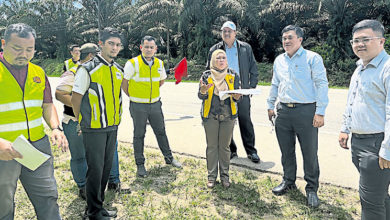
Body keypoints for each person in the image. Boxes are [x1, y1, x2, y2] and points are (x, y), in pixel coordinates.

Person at [0, 23, 68, 219]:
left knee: (48, 197)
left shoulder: (38, 72)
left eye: (29, 49)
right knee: (2, 204)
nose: (24, 54)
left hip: (37, 147)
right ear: (3, 43)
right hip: (4, 150)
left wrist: (55, 127)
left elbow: (47, 105)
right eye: (17, 48)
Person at [267, 25, 329, 208]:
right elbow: (275, 83)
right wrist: (270, 105)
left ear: (300, 40)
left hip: (306, 111)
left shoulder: (312, 59)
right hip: (284, 111)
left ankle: (311, 189)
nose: (286, 41)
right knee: (286, 151)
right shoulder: (279, 60)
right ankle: (288, 181)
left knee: (309, 153)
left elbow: (321, 84)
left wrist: (320, 111)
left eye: (290, 38)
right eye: (284, 38)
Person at [55, 43, 123, 201]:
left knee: (111, 151)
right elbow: (59, 93)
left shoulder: (102, 70)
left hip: (100, 122)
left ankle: (113, 181)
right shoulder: (74, 72)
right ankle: (83, 187)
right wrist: (82, 105)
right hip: (74, 121)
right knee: (79, 156)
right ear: (92, 56)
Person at [339, 19, 390, 219]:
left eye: (365, 39)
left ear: (381, 41)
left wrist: (386, 149)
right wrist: (345, 128)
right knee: (378, 196)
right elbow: (352, 101)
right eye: (356, 41)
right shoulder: (359, 67)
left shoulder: (387, 68)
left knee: (370, 203)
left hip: (377, 144)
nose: (360, 44)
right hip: (359, 142)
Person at [71, 28, 123, 220]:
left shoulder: (118, 69)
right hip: (93, 128)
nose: (115, 47)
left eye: (118, 44)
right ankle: (93, 212)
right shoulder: (88, 68)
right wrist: (79, 120)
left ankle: (98, 207)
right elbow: (76, 98)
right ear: (101, 44)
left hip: (112, 126)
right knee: (95, 170)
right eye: (111, 43)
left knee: (106, 169)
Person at [122, 35, 182, 178]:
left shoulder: (159, 63)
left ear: (155, 49)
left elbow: (161, 81)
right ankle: (140, 164)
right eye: (146, 47)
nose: (149, 49)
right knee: (139, 135)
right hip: (138, 106)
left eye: (151, 47)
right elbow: (124, 84)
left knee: (161, 131)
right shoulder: (132, 63)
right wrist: (134, 97)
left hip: (155, 104)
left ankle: (169, 158)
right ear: (141, 47)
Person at [207, 21, 260, 163]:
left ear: (235, 33)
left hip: (241, 91)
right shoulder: (215, 49)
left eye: (229, 31)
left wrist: (250, 87)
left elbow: (253, 68)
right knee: (226, 121)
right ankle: (231, 150)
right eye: (224, 31)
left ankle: (251, 151)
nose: (226, 33)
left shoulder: (245, 48)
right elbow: (208, 70)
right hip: (222, 92)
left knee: (245, 121)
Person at [199, 49, 241, 188]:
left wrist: (237, 97)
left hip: (228, 116)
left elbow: (237, 96)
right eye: (218, 58)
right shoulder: (206, 75)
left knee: (224, 147)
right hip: (210, 115)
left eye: (223, 57)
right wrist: (203, 91)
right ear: (213, 60)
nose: (221, 60)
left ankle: (225, 177)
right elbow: (201, 96)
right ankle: (211, 177)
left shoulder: (233, 75)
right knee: (212, 147)